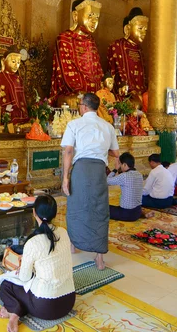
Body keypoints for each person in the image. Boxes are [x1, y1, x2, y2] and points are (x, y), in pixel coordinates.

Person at [0, 195, 76, 332]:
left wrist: (23, 269)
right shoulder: (64, 232)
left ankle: (14, 313)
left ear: (34, 213)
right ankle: (16, 312)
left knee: (6, 285)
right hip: (68, 302)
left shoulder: (33, 242)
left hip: (44, 308)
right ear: (55, 214)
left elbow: (24, 278)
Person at [61, 92, 119, 270]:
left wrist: (65, 177)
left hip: (81, 170)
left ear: (84, 107)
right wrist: (100, 151)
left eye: (80, 105)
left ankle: (73, 245)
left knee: (76, 207)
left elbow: (69, 151)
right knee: (99, 210)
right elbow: (115, 153)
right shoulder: (108, 126)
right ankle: (99, 259)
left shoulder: (74, 124)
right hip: (99, 172)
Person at [49, 0, 104, 107]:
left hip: (92, 94)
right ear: (75, 16)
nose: (94, 21)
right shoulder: (63, 39)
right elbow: (66, 74)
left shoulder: (92, 42)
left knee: (106, 100)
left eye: (97, 17)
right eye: (90, 16)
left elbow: (98, 73)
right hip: (72, 93)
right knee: (72, 102)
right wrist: (81, 91)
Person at [107, 152, 144, 221]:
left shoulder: (124, 176)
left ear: (124, 164)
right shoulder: (139, 174)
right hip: (138, 211)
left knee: (103, 209)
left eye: (120, 164)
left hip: (127, 214)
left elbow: (107, 181)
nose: (120, 166)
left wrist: (115, 169)